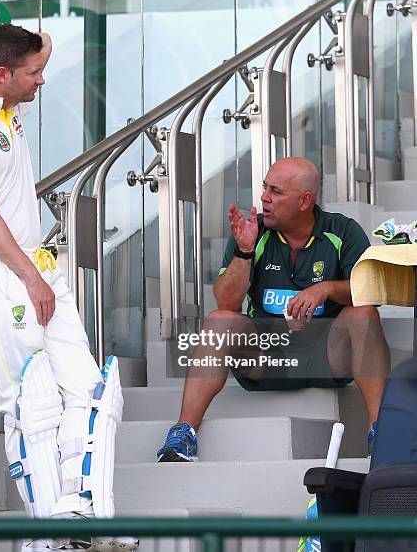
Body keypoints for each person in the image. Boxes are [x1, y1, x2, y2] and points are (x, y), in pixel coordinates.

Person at [0, 24, 137, 552]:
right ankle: (48, 533)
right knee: (33, 401)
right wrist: (29, 277)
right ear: (4, 75)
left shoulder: (6, 107)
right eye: (32, 74)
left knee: (94, 392)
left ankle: (90, 519)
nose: (42, 80)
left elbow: (40, 43)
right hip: (0, 272)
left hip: (36, 266)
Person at [157, 157, 390, 462]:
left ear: (304, 201)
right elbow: (227, 304)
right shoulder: (255, 233)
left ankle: (382, 435)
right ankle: (184, 433)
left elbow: (370, 292)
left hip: (327, 356)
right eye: (264, 188)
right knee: (219, 322)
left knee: (364, 315)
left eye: (276, 191)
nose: (265, 197)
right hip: (268, 355)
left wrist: (327, 288)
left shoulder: (342, 231)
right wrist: (244, 251)